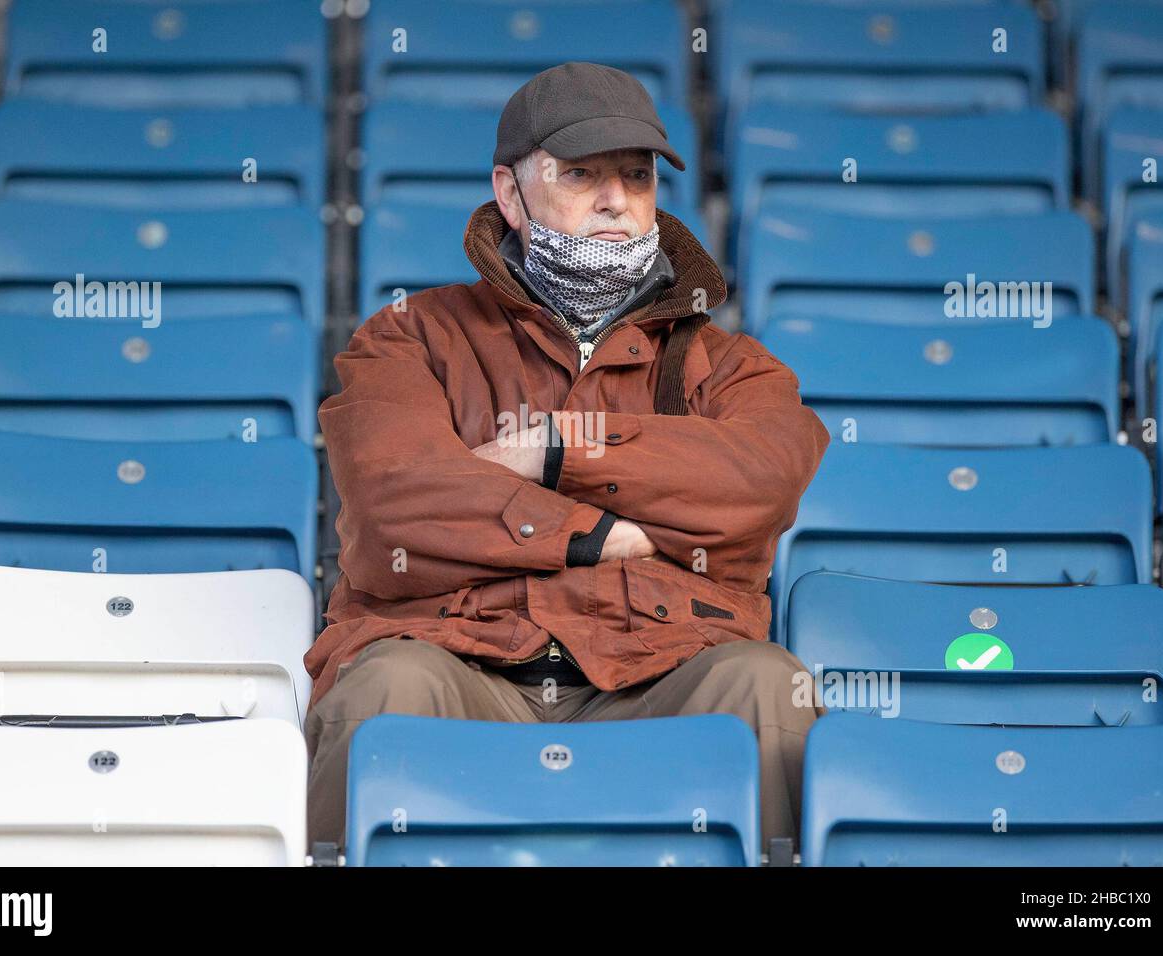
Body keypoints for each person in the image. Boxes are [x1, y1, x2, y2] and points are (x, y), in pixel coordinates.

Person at [305, 61, 831, 856]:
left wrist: (552, 452)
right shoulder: (408, 336)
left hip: (661, 669)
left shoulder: (728, 364)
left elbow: (762, 479)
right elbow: (393, 504)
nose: (617, 200)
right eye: (581, 174)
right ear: (510, 194)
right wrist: (602, 533)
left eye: (637, 175)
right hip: (460, 663)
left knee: (764, 684)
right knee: (381, 687)